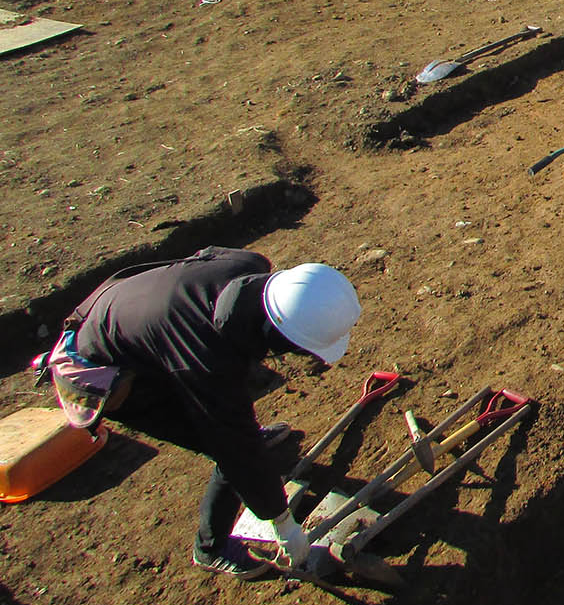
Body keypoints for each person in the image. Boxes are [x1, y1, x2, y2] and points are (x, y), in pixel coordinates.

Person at [48, 248, 364, 578]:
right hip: (103, 371)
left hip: (134, 323)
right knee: (227, 449)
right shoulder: (206, 360)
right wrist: (283, 523)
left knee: (238, 431)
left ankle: (253, 448)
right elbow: (231, 441)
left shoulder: (248, 266)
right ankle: (210, 548)